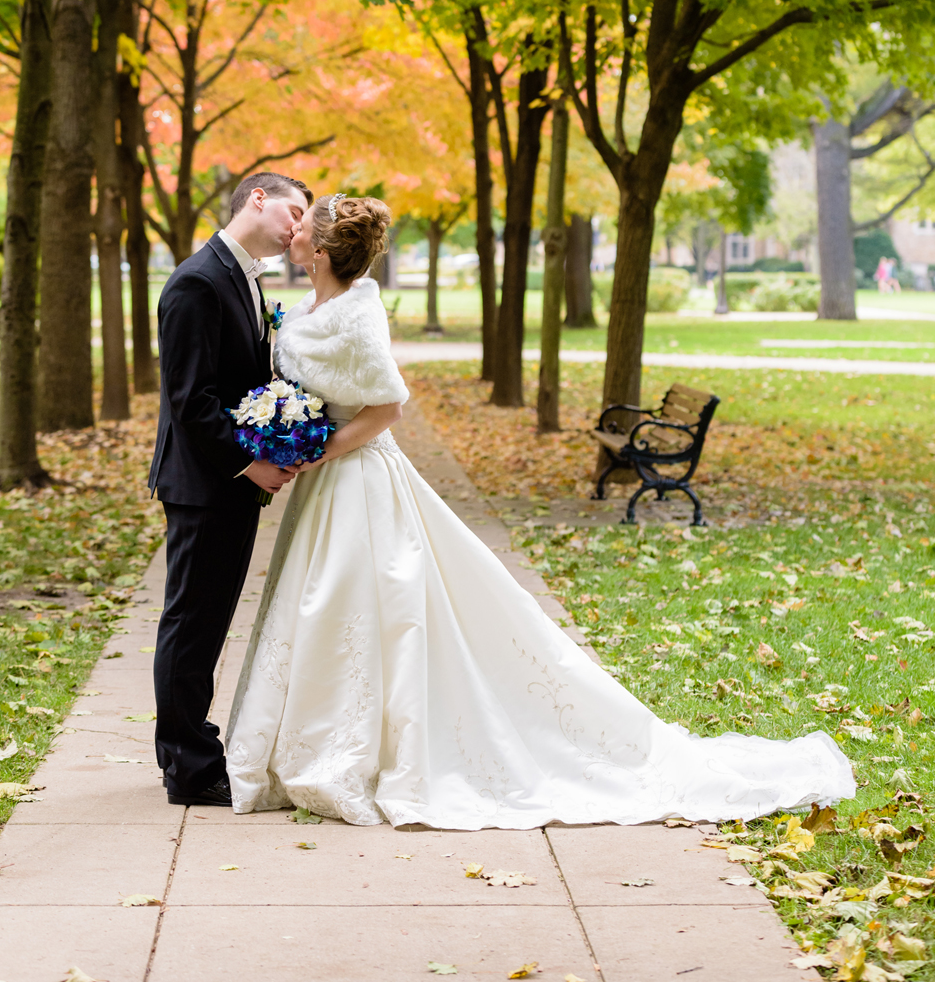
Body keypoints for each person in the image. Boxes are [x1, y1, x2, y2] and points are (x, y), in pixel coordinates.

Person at [223, 194, 855, 827]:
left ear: (324, 252)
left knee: (370, 609)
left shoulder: (358, 317)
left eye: (304, 227)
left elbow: (386, 409)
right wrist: (287, 430)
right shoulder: (308, 307)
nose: (294, 231)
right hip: (325, 488)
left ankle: (367, 752)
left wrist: (320, 449)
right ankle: (317, 739)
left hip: (359, 479)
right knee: (324, 608)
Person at [145, 172, 310, 807]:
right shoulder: (197, 280)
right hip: (205, 484)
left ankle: (189, 746)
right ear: (258, 198)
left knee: (207, 623)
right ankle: (187, 769)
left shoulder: (242, 275)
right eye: (294, 210)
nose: (298, 226)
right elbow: (190, 401)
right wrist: (251, 465)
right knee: (191, 623)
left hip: (228, 484)